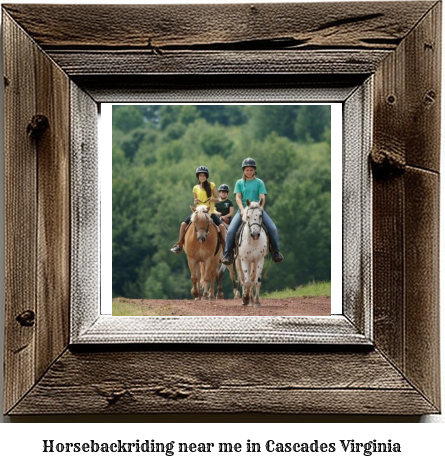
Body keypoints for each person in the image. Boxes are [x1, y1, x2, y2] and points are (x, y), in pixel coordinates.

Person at [221, 158, 283, 264]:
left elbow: (262, 197)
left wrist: (260, 208)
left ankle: (275, 252)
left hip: (257, 210)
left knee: (273, 229)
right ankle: (228, 254)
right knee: (231, 231)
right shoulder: (239, 183)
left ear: (254, 170)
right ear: (243, 171)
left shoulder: (259, 183)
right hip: (244, 210)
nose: (249, 172)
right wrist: (241, 209)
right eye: (247, 170)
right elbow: (238, 198)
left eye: (251, 170)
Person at [170, 166, 226, 253]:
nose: (202, 177)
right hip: (198, 212)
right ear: (198, 177)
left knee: (222, 227)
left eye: (204, 175)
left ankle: (225, 246)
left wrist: (212, 199)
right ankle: (179, 245)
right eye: (200, 175)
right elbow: (195, 202)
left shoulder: (212, 185)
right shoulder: (195, 188)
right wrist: (195, 201)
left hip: (209, 212)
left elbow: (218, 199)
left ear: (206, 176)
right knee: (183, 225)